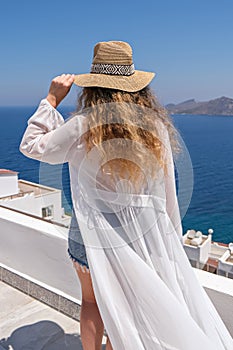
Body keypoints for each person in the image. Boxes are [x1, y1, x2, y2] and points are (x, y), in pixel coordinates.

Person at [19, 41, 233, 350]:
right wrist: (169, 237)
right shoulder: (156, 127)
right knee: (134, 310)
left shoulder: (83, 125)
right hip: (142, 235)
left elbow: (31, 145)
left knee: (92, 303)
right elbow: (167, 190)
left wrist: (51, 99)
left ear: (93, 86)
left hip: (90, 234)